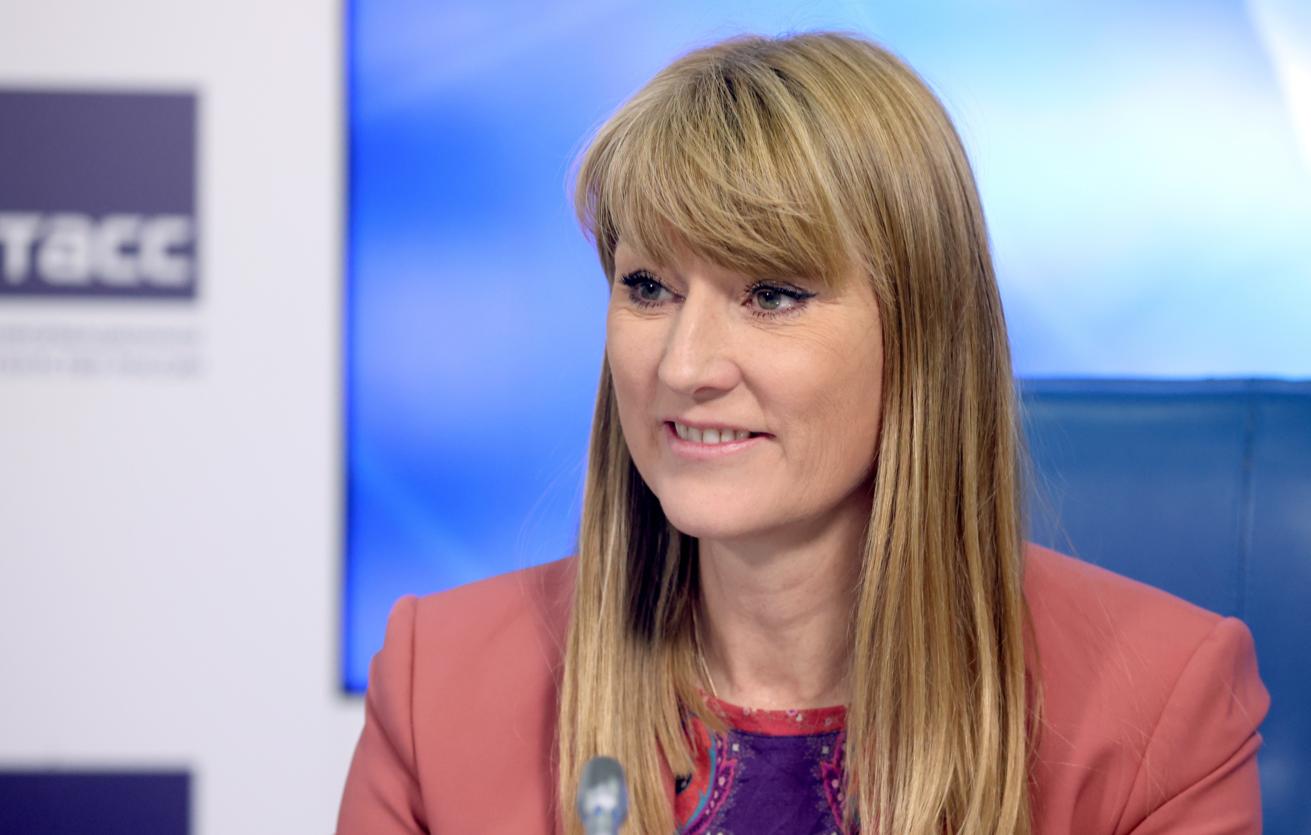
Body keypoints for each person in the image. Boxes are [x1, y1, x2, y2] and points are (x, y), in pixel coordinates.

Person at [336, 30, 1270, 835]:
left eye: (771, 294)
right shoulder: (436, 680)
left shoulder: (1158, 706)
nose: (684, 365)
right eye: (648, 286)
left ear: (921, 336)